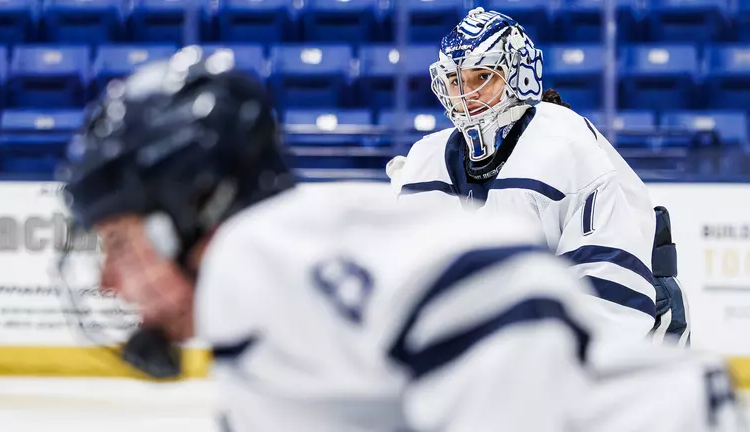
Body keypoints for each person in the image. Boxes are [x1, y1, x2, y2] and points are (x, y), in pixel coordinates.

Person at [58, 48, 741, 432]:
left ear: (190, 206)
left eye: (118, 243)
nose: (109, 285)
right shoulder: (262, 301)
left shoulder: (260, 256)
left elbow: (507, 296)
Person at [387, 8, 689, 345]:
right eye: (456, 80)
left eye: (482, 77)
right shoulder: (425, 160)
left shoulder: (565, 146)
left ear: (520, 76)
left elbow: (612, 301)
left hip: (642, 317)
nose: (465, 95)